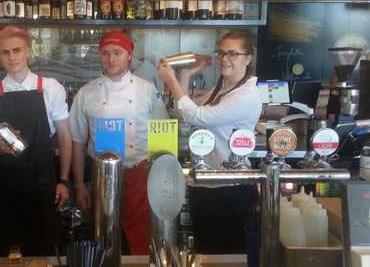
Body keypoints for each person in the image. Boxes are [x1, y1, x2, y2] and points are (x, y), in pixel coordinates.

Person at [157, 29, 263, 254]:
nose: (225, 59)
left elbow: (197, 116)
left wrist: (171, 79)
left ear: (248, 58)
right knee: (207, 252)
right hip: (207, 182)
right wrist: (186, 75)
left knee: (227, 255)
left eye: (233, 54)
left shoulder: (246, 94)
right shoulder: (222, 88)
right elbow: (183, 111)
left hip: (230, 187)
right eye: (221, 53)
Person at [69, 30, 169, 255]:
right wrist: (79, 185)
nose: (111, 59)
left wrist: (163, 178)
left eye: (117, 52)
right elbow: (77, 141)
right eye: (105, 53)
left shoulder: (148, 89)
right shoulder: (85, 93)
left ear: (129, 56)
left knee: (141, 238)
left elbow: (162, 134)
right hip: (101, 176)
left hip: (140, 175)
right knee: (104, 237)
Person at [0, 25, 72, 256]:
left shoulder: (51, 88)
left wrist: (64, 180)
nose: (12, 57)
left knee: (46, 247)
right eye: (5, 52)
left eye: (17, 50)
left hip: (44, 182)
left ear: (28, 50)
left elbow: (65, 136)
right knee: (8, 249)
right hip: (6, 185)